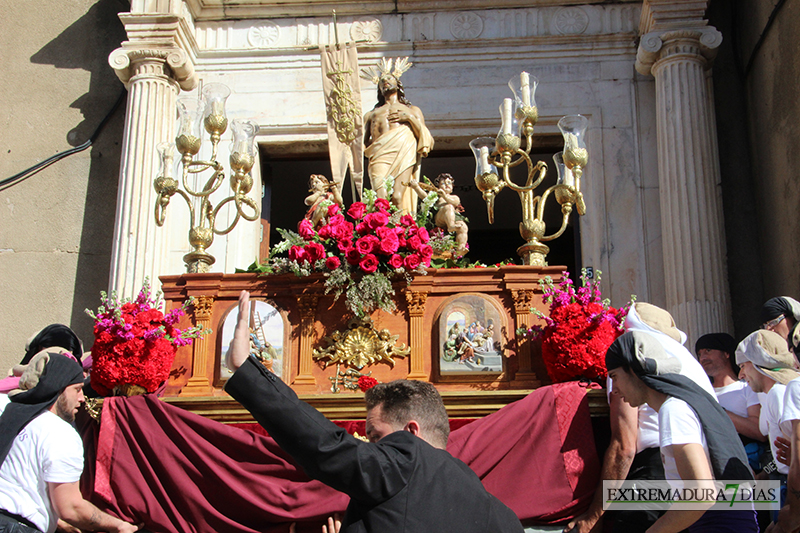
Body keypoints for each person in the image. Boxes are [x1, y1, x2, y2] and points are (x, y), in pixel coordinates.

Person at [224, 291, 522, 533]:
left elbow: (326, 446)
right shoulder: (503, 518)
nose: (371, 448)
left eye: (376, 438)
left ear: (411, 433)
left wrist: (246, 371)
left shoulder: (408, 460)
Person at [565, 302, 716, 533]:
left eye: (615, 378)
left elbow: (624, 447)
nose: (616, 387)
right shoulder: (689, 362)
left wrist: (595, 516)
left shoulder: (631, 357)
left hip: (654, 476)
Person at [606, 331, 757, 532]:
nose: (614, 389)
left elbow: (701, 493)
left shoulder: (674, 409)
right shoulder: (684, 403)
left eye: (615, 377)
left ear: (634, 370)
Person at [0, 352, 140, 533]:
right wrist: (118, 525)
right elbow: (70, 508)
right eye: (77, 389)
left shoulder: (10, 417)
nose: (82, 398)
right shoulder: (59, 431)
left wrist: (57, 522)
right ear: (58, 388)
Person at [736, 330, 800, 521]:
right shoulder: (774, 394)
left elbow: (793, 457)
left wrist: (791, 510)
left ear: (758, 363)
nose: (741, 374)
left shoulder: (778, 393)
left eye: (743, 366)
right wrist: (766, 473)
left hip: (790, 488)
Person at [363, 58, 434, 216]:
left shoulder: (412, 110)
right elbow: (363, 142)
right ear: (379, 88)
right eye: (381, 81)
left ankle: (399, 234)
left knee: (397, 196)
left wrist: (408, 119)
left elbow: (426, 137)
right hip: (379, 155)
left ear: (398, 84)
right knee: (380, 198)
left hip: (404, 152)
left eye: (389, 78)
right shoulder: (371, 114)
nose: (385, 81)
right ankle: (381, 233)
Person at [696, 333, 765, 470]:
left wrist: (718, 413)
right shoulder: (699, 393)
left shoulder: (748, 387)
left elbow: (759, 431)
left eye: (708, 351)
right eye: (699, 354)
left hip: (746, 465)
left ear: (726, 353)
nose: (703, 358)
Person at [409, 173, 469, 255]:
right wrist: (416, 187)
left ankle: (460, 249)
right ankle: (451, 226)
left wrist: (444, 196)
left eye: (449, 183)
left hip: (454, 218)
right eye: (443, 183)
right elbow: (425, 197)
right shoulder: (436, 197)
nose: (446, 185)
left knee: (463, 226)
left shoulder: (454, 197)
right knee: (448, 207)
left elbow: (454, 202)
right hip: (440, 218)